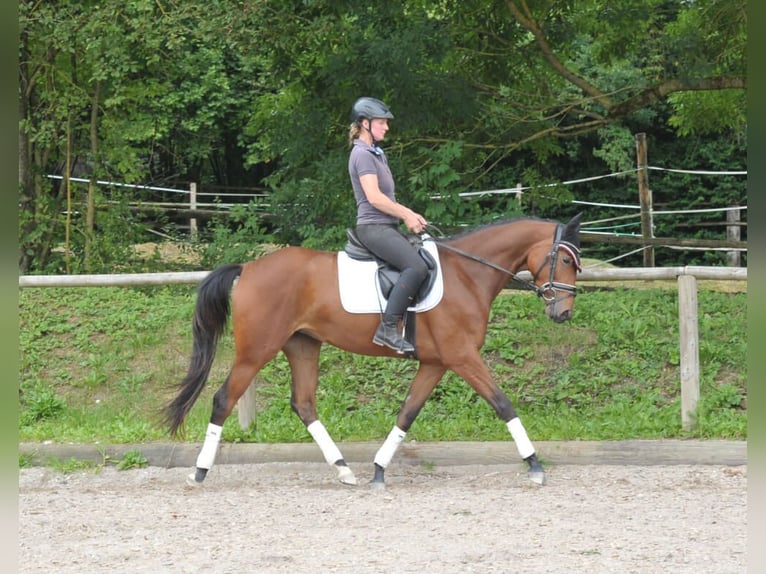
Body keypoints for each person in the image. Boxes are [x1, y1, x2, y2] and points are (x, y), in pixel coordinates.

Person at [348, 96, 429, 354]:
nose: (387, 127)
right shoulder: (361, 154)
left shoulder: (376, 154)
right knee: (416, 267)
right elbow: (374, 197)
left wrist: (409, 214)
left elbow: (387, 198)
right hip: (373, 227)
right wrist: (406, 214)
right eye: (382, 123)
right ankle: (388, 328)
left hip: (386, 225)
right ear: (364, 123)